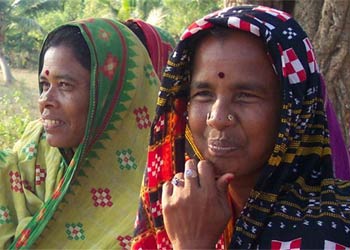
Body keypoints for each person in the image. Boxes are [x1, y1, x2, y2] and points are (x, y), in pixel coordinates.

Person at [132, 5, 350, 249]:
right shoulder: (180, 207)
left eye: (245, 95)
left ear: (292, 108)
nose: (217, 117)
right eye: (203, 94)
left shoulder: (330, 233)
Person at [0, 18, 159, 249]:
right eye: (44, 85)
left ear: (106, 96)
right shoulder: (34, 155)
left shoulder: (156, 198)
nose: (45, 100)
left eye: (64, 85)